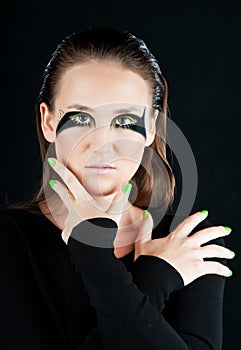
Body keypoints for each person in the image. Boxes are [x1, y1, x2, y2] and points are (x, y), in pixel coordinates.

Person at [0, 26, 234, 350]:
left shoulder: (189, 242)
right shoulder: (9, 240)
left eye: (124, 121)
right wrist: (153, 278)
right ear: (49, 121)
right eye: (80, 118)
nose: (101, 144)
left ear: (150, 127)